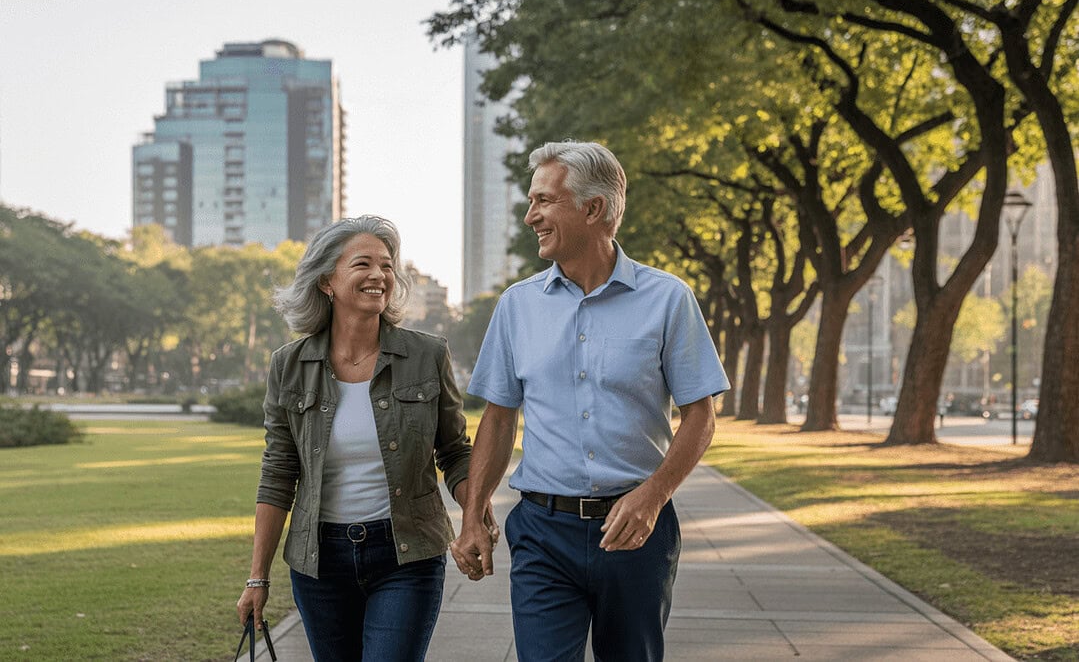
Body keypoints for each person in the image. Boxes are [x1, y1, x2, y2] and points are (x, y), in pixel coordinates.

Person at [450, 141, 729, 661]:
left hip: (635, 532)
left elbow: (701, 416)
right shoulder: (518, 306)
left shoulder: (668, 299)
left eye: (544, 201)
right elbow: (498, 418)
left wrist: (653, 497)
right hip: (541, 531)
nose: (530, 215)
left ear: (593, 208)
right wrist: (473, 515)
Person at [236, 215, 496, 662]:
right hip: (319, 563)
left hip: (407, 555)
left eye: (387, 265)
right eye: (363, 264)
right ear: (326, 282)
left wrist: (475, 515)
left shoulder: (427, 354)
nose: (379, 275)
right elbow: (279, 471)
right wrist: (258, 577)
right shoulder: (289, 364)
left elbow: (454, 451)